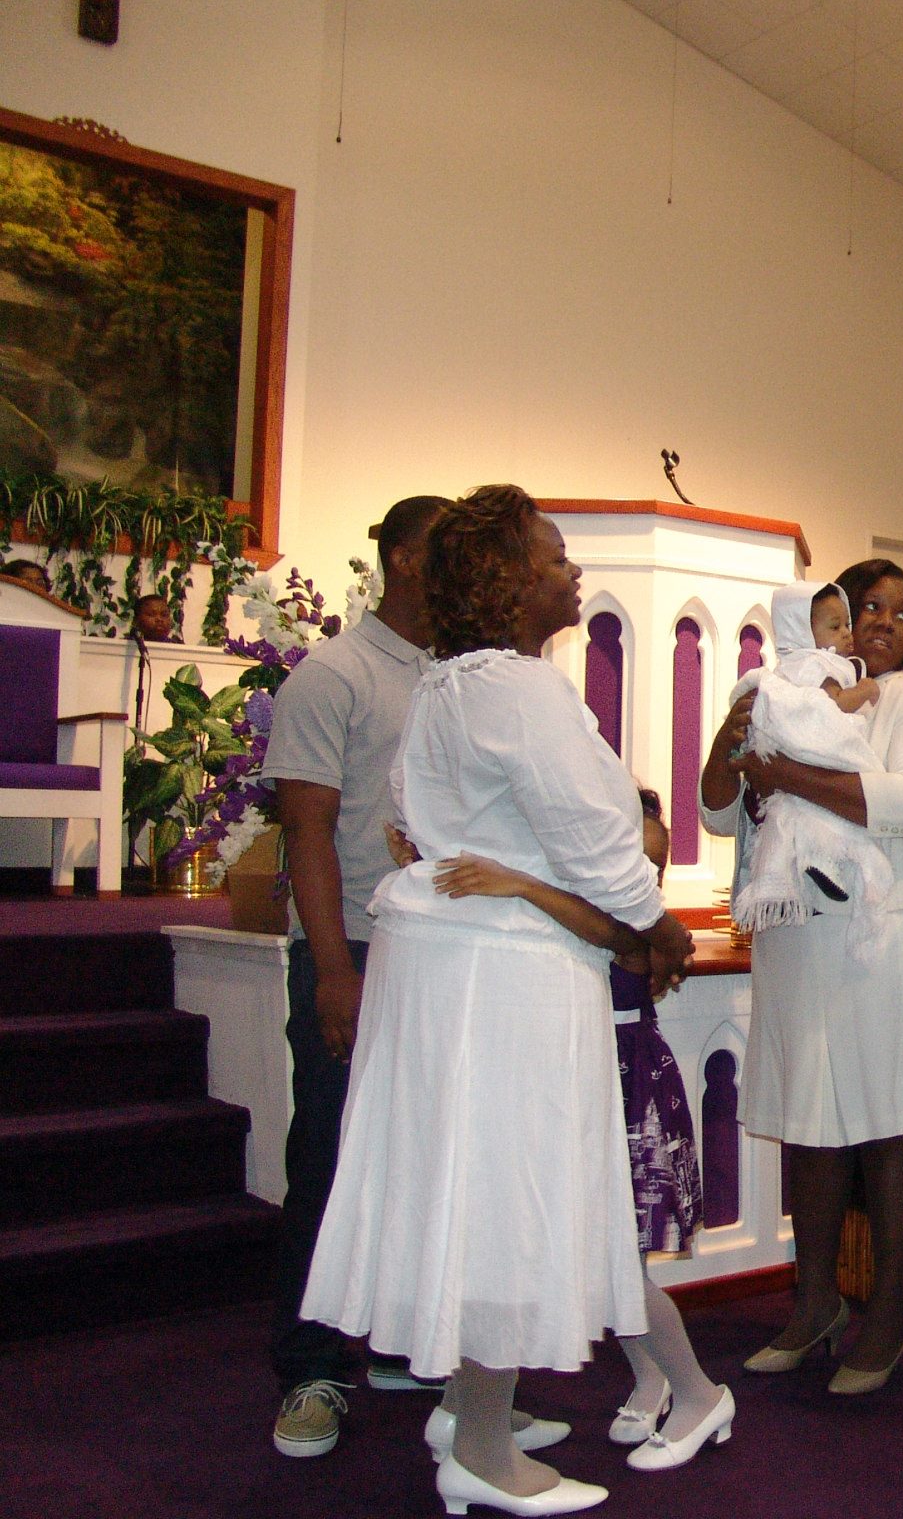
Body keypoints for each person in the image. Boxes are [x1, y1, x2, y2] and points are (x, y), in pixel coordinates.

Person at [300, 485, 699, 1514]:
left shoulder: (442, 683)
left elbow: (412, 825)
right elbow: (601, 841)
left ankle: (466, 1413)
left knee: (464, 1185)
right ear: (508, 581)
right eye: (556, 556)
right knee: (504, 1197)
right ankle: (480, 1452)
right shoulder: (522, 690)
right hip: (506, 978)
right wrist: (659, 929)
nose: (573, 571)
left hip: (445, 964)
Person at [390, 787, 724, 1475]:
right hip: (568, 1083)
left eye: (651, 866)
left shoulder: (626, 930)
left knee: (617, 1261)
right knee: (572, 1252)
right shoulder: (562, 906)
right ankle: (625, 1383)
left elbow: (618, 933)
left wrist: (517, 881)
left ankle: (699, 1393)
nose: (638, 876)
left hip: (626, 1094)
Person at [701, 557, 903, 1396]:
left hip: (888, 929)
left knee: (890, 1123)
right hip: (797, 928)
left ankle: (887, 1310)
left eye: (901, 612)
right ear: (831, 620)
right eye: (866, 607)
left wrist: (784, 774)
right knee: (808, 1120)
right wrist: (734, 735)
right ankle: (814, 1301)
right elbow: (717, 811)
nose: (881, 622)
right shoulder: (784, 688)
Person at [261, 494, 451, 1458]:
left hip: (438, 953)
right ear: (406, 558)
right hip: (357, 949)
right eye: (451, 549)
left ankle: (401, 1346)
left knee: (423, 1161)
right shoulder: (334, 673)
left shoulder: (457, 673)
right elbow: (307, 829)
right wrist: (333, 968)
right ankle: (310, 1368)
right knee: (331, 1158)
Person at [726, 581, 890, 948]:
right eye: (835, 627)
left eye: (846, 624)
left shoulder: (789, 667)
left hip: (787, 770)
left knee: (788, 823)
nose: (847, 633)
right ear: (802, 631)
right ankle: (821, 866)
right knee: (829, 820)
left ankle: (796, 874)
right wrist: (865, 691)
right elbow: (833, 705)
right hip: (811, 751)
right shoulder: (817, 664)